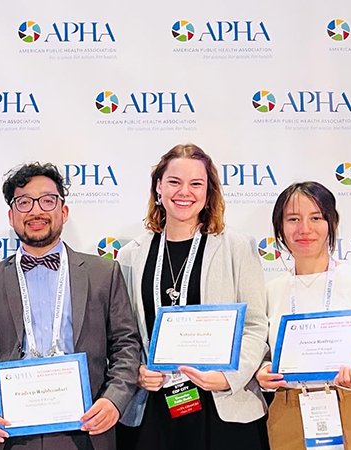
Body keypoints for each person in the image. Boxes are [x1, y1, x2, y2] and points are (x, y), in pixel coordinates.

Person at [0, 162, 141, 450]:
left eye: (48, 200)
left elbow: (126, 345)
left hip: (87, 430)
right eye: (24, 202)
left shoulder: (103, 273)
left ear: (64, 211)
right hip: (11, 433)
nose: (36, 211)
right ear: (12, 216)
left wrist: (113, 401)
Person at [115, 144, 270, 450]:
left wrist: (229, 377)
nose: (184, 192)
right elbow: (124, 334)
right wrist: (137, 372)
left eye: (196, 183)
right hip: (154, 409)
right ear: (158, 187)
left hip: (223, 405)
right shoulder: (131, 255)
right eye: (174, 182)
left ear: (209, 191)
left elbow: (254, 326)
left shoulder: (236, 247)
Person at [256, 181, 351, 450]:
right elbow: (262, 355)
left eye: (316, 218)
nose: (304, 229)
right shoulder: (270, 291)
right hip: (288, 413)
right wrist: (262, 372)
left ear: (332, 223)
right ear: (280, 227)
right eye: (293, 219)